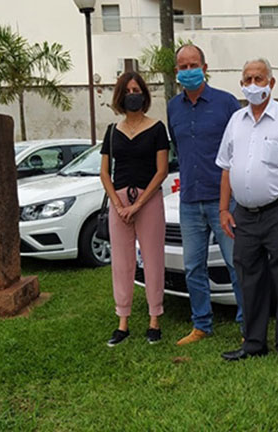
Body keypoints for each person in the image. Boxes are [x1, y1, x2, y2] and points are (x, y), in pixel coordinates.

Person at [216, 58, 278, 369]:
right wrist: (223, 209)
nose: (253, 84)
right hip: (244, 215)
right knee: (250, 279)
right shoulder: (236, 121)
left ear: (271, 83)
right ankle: (254, 342)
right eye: (247, 78)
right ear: (241, 83)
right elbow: (226, 168)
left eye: (259, 78)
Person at [167, 44, 244, 345]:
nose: (188, 71)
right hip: (189, 201)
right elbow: (178, 146)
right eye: (183, 67)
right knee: (192, 266)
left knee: (236, 264)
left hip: (224, 201)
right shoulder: (173, 107)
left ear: (205, 66)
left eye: (193, 65)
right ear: (176, 72)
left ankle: (246, 324)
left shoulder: (226, 104)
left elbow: (240, 147)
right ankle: (202, 324)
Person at [100, 71, 169, 347]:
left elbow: (162, 170)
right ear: (120, 96)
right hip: (120, 203)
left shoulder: (156, 128)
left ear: (144, 94)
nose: (132, 95)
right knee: (122, 263)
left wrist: (138, 204)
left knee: (153, 260)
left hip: (149, 200)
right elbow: (105, 172)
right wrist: (118, 205)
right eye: (127, 91)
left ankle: (154, 319)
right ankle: (123, 321)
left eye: (136, 89)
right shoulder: (111, 132)